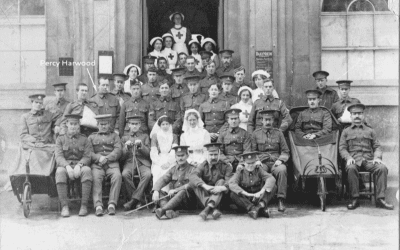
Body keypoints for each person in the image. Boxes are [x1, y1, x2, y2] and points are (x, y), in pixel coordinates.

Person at [339, 103, 393, 210]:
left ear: (363, 115)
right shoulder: (346, 131)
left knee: (382, 168)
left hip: (369, 161)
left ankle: (380, 199)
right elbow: (342, 148)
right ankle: (355, 199)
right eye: (354, 114)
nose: (357, 116)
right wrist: (348, 158)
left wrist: (377, 158)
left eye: (359, 113)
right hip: (354, 160)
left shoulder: (370, 130)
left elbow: (377, 146)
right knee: (350, 168)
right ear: (351, 116)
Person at [251, 110, 290, 212]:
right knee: (258, 169)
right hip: (262, 161)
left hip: (275, 161)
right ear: (262, 121)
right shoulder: (256, 134)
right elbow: (253, 151)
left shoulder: (279, 133)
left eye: (270, 120)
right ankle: (261, 200)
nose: (267, 122)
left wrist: (281, 160)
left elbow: (285, 151)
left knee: (282, 170)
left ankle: (281, 200)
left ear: (273, 120)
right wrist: (257, 160)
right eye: (265, 120)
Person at [55, 114, 93, 217]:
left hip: (79, 166)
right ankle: (64, 206)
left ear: (79, 125)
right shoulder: (60, 139)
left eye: (75, 124)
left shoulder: (85, 139)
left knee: (87, 170)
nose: (73, 126)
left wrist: (79, 165)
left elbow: (87, 156)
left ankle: (84, 206)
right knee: (59, 172)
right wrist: (67, 166)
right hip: (65, 166)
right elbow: (58, 156)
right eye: (71, 124)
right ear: (67, 124)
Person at [189, 143, 233, 220]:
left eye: (215, 154)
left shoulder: (226, 166)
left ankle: (207, 209)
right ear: (207, 155)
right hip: (205, 196)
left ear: (219, 154)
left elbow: (230, 181)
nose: (213, 157)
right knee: (194, 183)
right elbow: (192, 176)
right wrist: (205, 186)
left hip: (221, 199)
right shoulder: (203, 165)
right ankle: (212, 209)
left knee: (221, 181)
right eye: (211, 155)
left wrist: (222, 188)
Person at [89, 114, 122, 216]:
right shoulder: (91, 137)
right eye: (101, 124)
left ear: (109, 124)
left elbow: (118, 150)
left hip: (112, 164)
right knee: (95, 177)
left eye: (106, 124)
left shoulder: (115, 136)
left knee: (117, 176)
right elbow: (89, 153)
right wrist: (99, 158)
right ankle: (98, 205)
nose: (103, 126)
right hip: (97, 165)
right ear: (97, 125)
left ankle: (112, 204)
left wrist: (107, 158)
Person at [229, 151, 277, 220]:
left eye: (252, 163)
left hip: (258, 197)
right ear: (244, 163)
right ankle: (255, 209)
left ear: (256, 163)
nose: (250, 165)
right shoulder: (240, 171)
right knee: (233, 194)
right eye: (248, 163)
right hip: (246, 199)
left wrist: (261, 192)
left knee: (273, 186)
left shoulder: (259, 169)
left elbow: (271, 178)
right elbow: (231, 183)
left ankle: (258, 207)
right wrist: (248, 194)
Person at [152, 145, 195, 219]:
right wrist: (156, 190)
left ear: (187, 156)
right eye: (178, 156)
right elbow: (163, 179)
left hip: (187, 201)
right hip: (174, 200)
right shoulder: (173, 169)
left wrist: (176, 190)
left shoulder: (193, 169)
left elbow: (191, 184)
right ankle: (169, 211)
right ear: (175, 157)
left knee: (182, 191)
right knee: (161, 192)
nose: (180, 158)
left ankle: (163, 210)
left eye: (182, 155)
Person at [121, 115, 152, 211]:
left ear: (140, 125)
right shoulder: (124, 138)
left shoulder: (145, 136)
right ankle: (138, 200)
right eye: (132, 124)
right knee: (125, 174)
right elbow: (121, 157)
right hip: (130, 162)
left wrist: (142, 146)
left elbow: (149, 154)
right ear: (128, 125)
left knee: (147, 174)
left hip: (143, 162)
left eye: (136, 124)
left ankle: (133, 201)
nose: (134, 126)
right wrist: (126, 148)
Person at [150, 116, 179, 193]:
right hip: (159, 159)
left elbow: (174, 150)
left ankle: (167, 194)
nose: (165, 126)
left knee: (169, 171)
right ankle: (157, 193)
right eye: (163, 124)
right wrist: (159, 163)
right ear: (160, 126)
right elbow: (153, 151)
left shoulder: (174, 136)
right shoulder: (155, 136)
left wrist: (168, 162)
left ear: (170, 125)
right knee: (157, 171)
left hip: (171, 159)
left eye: (167, 124)